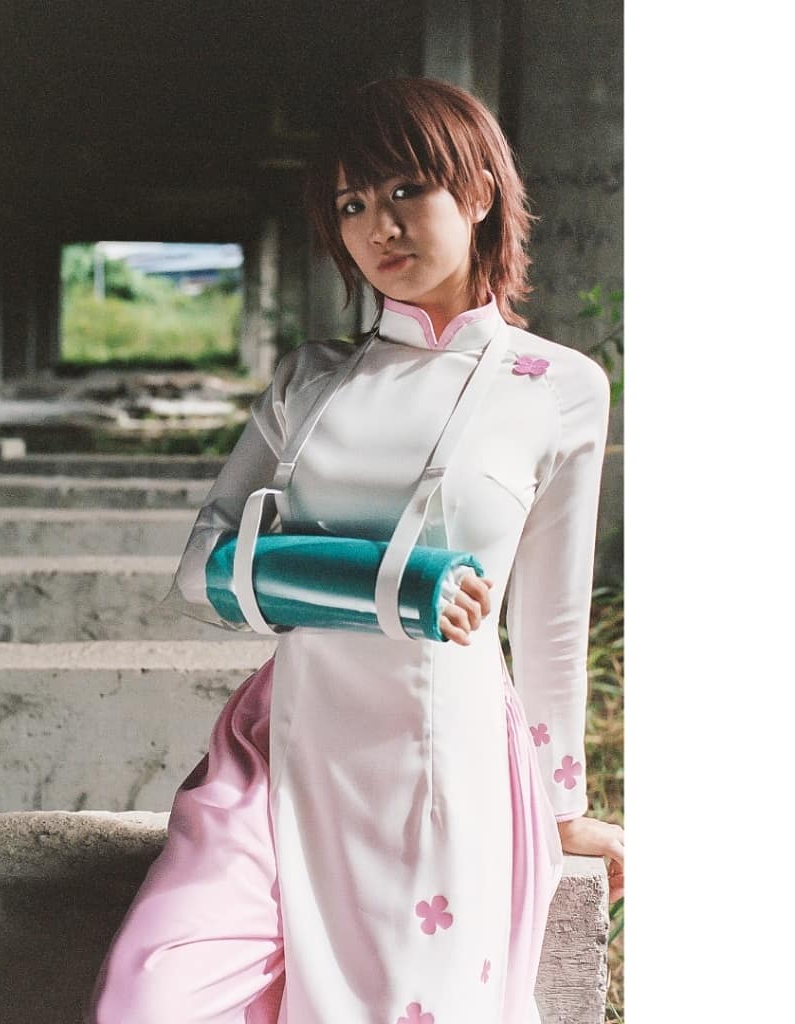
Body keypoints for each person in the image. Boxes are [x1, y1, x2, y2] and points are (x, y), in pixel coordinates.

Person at [89, 77, 624, 1024]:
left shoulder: (558, 388)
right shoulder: (311, 380)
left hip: (445, 756)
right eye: (352, 204)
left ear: (479, 193)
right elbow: (203, 569)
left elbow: (551, 623)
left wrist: (563, 806)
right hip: (285, 747)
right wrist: (399, 586)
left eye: (406, 190)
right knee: (151, 994)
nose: (379, 226)